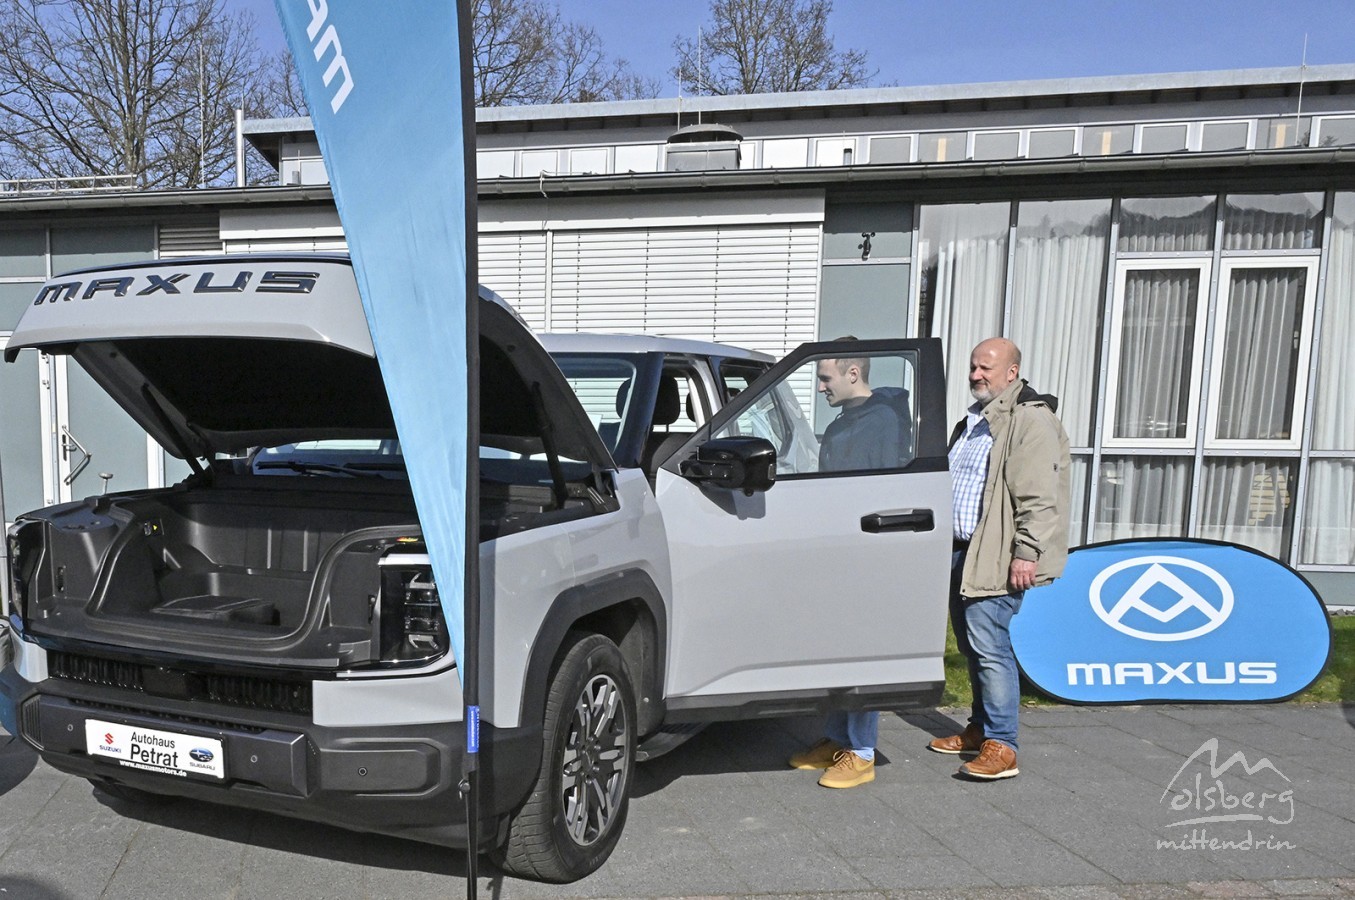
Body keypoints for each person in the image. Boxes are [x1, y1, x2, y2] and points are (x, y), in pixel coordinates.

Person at [928, 337, 1070, 780]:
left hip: (996, 553)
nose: (976, 375)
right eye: (973, 367)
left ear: (1012, 373)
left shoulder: (1030, 420)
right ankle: (979, 728)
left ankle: (1002, 744)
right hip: (961, 551)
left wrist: (1027, 552)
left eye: (986, 368)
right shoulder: (976, 418)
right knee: (971, 646)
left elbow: (1040, 497)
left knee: (990, 647)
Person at [788, 344, 902, 788]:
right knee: (835, 648)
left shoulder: (883, 422)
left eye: (825, 378)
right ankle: (838, 740)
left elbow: (882, 492)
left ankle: (861, 752)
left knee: (861, 650)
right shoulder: (843, 423)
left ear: (853, 373)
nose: (820, 388)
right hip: (837, 551)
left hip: (865, 554)